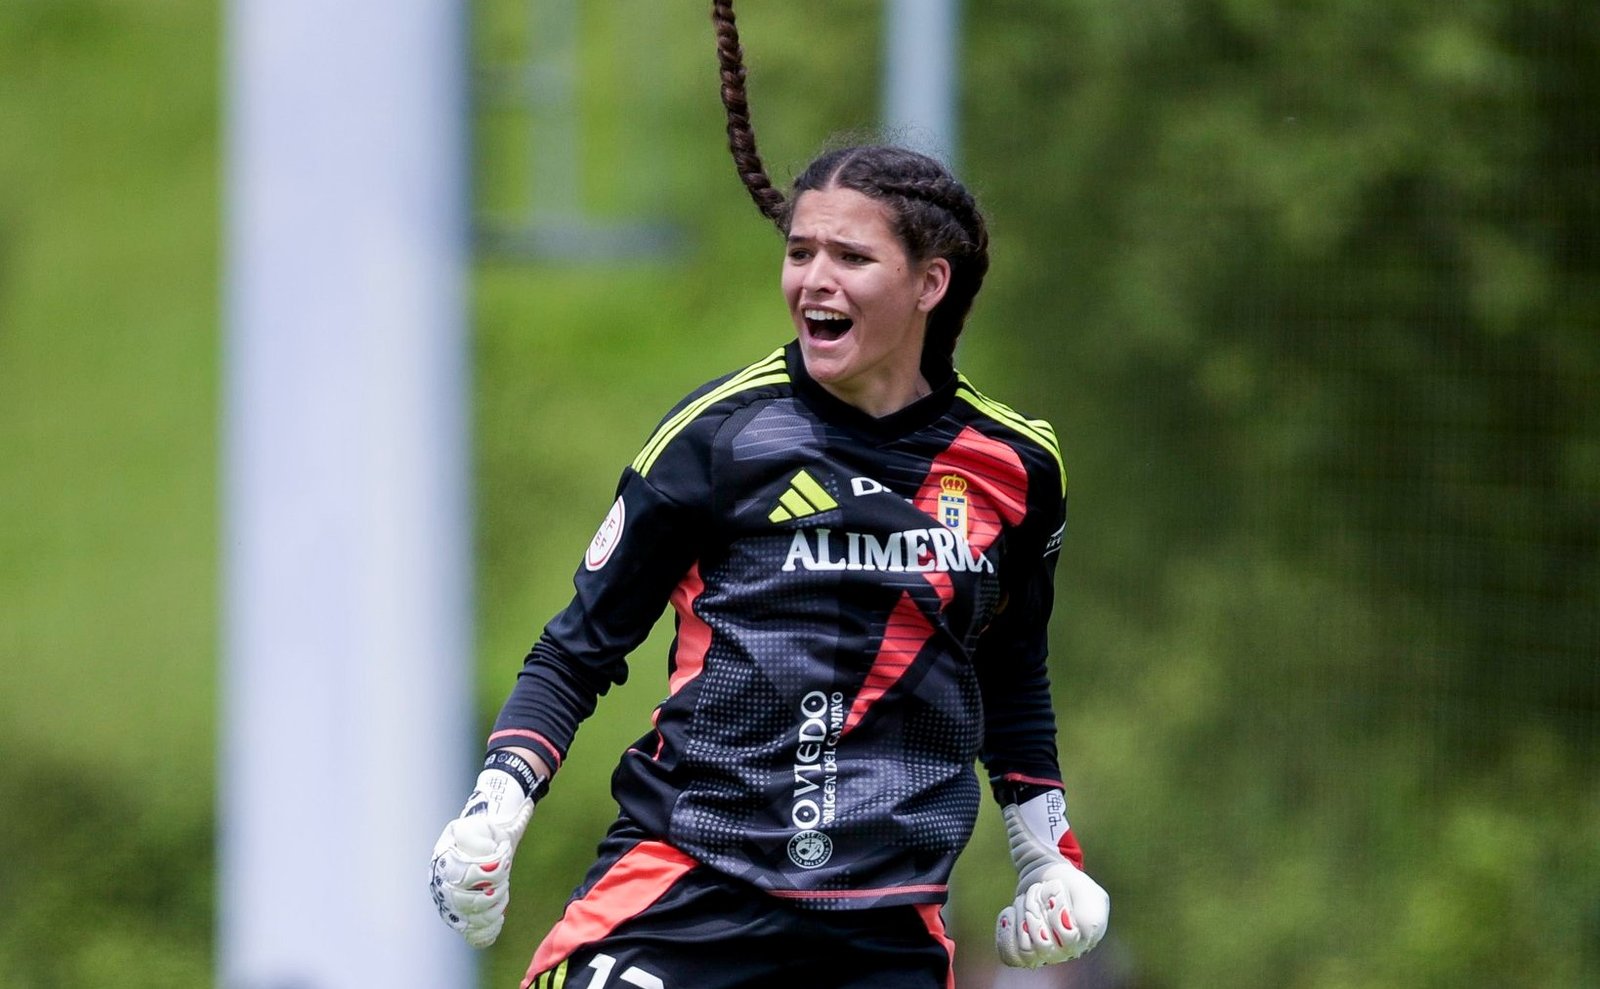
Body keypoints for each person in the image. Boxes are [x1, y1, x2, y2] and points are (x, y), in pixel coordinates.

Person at [430, 3, 1110, 986]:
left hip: (882, 930)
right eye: (800, 252)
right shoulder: (719, 436)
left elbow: (1012, 674)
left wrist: (1046, 853)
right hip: (685, 898)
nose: (813, 280)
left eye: (851, 257)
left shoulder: (1016, 465)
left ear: (930, 283)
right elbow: (576, 648)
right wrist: (496, 802)